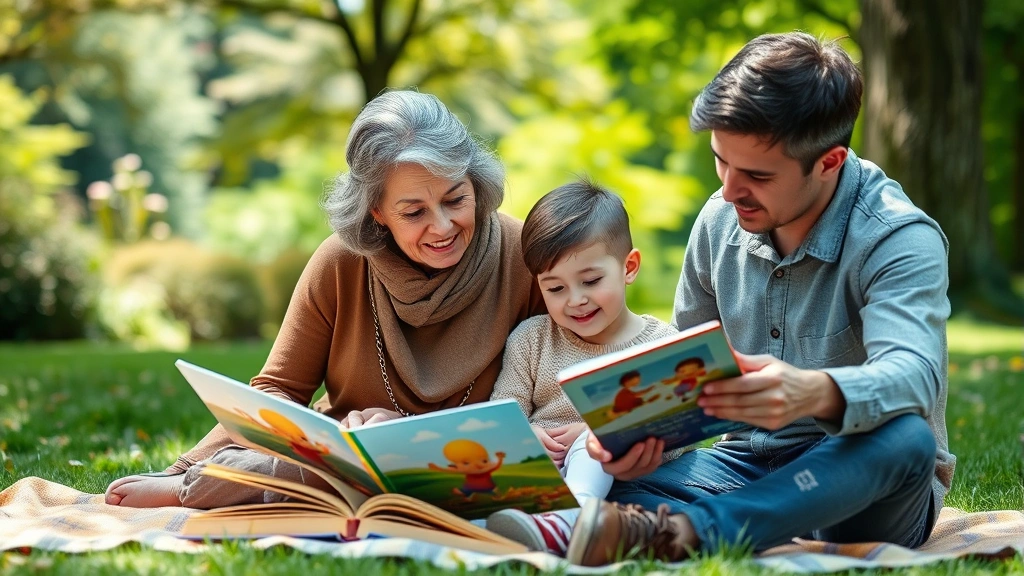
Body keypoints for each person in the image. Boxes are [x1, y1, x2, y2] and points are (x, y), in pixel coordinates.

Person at [564, 32, 954, 566]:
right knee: (596, 488)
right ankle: (698, 525)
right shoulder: (718, 220)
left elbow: (916, 376)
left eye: (757, 175)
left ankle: (690, 531)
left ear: (830, 160)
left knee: (908, 439)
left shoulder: (898, 238)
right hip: (742, 466)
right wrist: (640, 443)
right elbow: (686, 381)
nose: (728, 190)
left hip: (856, 480)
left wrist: (812, 393)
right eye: (721, 161)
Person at [103, 90, 546, 509]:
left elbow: (576, 362)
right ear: (376, 211)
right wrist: (180, 471)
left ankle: (229, 484)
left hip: (476, 466)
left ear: (475, 183)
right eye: (414, 213)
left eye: (456, 199)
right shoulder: (342, 262)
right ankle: (206, 484)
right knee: (304, 466)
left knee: (278, 473)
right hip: (343, 461)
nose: (443, 226)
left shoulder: (524, 253)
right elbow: (278, 392)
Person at [484, 180, 678, 555]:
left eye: (590, 281)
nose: (576, 300)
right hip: (538, 471)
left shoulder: (660, 344)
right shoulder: (532, 339)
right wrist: (525, 435)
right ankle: (531, 526)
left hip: (616, 478)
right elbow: (505, 408)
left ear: (629, 267)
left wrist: (602, 434)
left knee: (595, 443)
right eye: (554, 289)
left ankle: (572, 521)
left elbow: (672, 437)